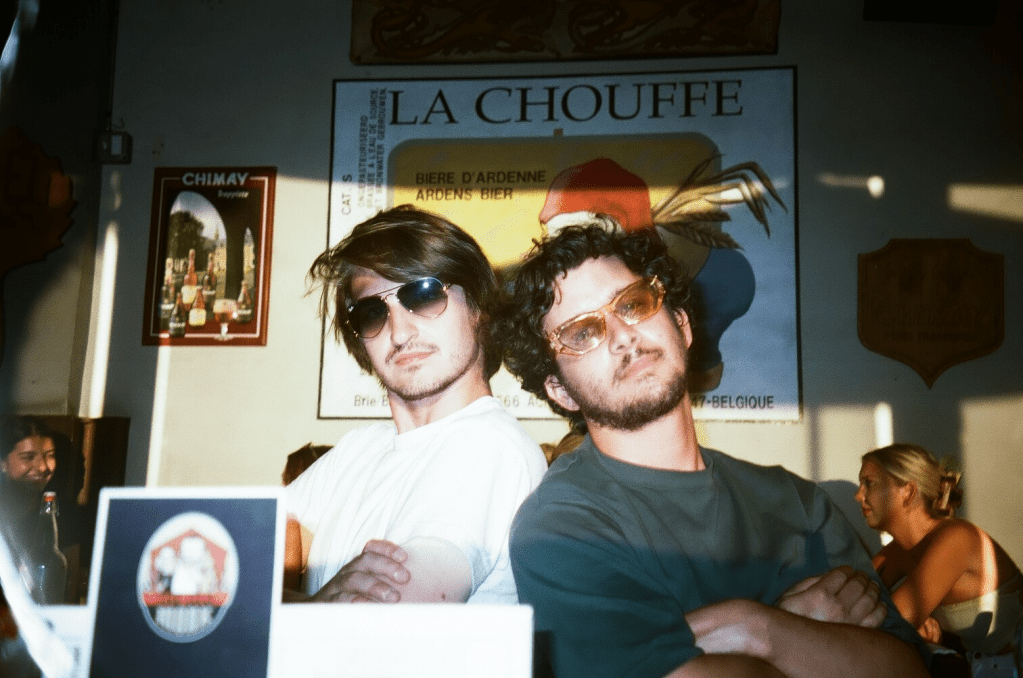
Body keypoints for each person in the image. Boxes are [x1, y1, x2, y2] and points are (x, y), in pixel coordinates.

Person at [499, 223, 929, 678]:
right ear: (560, 390)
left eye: (632, 304)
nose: (622, 335)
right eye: (583, 332)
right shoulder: (560, 527)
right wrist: (784, 631)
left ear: (681, 325)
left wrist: (756, 627)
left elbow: (908, 671)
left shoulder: (797, 503)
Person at [284, 205, 547, 605]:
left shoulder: (489, 445)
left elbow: (384, 615)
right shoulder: (359, 448)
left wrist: (278, 603)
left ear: (478, 308)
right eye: (372, 312)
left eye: (423, 295)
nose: (399, 332)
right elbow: (245, 543)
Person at [857, 443, 1023, 664]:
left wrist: (911, 627)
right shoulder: (899, 551)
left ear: (908, 491)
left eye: (869, 483)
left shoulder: (957, 539)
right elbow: (853, 597)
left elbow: (889, 628)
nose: (858, 496)